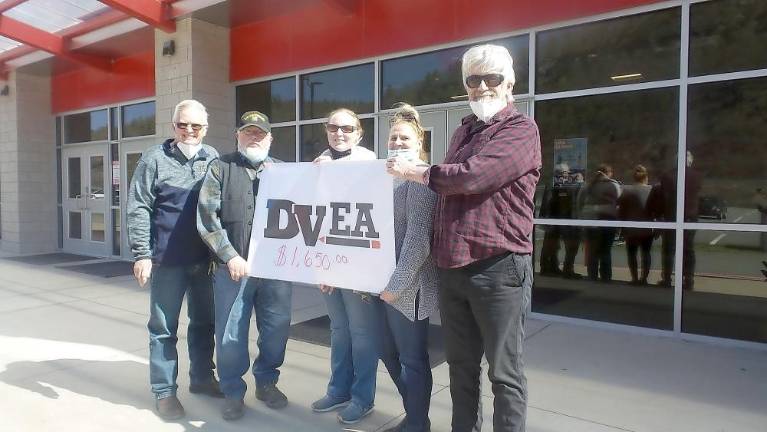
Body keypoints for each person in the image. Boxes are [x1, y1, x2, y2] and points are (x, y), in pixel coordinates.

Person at [387, 44, 541, 432]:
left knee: (504, 375)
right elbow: (449, 187)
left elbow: (473, 176)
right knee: (461, 368)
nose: (483, 87)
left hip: (499, 269)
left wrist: (419, 173)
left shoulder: (521, 130)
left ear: (510, 84)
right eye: (474, 80)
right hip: (453, 269)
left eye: (492, 78)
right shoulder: (463, 130)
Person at [127, 99, 222, 420]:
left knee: (204, 324)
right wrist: (142, 254)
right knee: (163, 329)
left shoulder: (213, 158)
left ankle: (202, 378)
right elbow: (138, 206)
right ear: (174, 126)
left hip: (205, 261)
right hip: (167, 261)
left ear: (205, 129)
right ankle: (165, 391)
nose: (189, 131)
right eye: (183, 124)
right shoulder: (154, 158)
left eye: (196, 126)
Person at [196, 111, 292, 421]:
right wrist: (230, 255)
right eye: (248, 132)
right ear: (238, 135)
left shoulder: (285, 172)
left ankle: (267, 382)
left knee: (276, 330)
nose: (254, 137)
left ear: (270, 138)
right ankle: (233, 391)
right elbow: (207, 219)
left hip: (275, 271)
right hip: (232, 270)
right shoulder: (220, 168)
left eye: (260, 133)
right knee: (231, 335)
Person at [310, 108, 383, 425]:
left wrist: (333, 175)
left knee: (362, 334)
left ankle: (362, 398)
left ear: (359, 133)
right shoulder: (319, 163)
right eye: (333, 127)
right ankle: (338, 390)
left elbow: (370, 211)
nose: (340, 133)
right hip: (329, 265)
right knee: (339, 331)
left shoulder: (369, 163)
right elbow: (312, 216)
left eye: (347, 128)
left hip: (359, 268)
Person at [380, 104, 439, 432]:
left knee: (412, 360)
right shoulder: (385, 177)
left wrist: (395, 286)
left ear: (419, 144)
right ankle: (416, 414)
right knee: (387, 352)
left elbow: (418, 241)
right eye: (393, 137)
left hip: (408, 288)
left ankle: (418, 424)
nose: (398, 143)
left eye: (405, 138)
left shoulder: (420, 179)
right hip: (382, 285)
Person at [579, 164, 621, 282]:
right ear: (608, 173)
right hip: (608, 221)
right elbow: (619, 203)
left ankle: (592, 276)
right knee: (605, 251)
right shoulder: (613, 185)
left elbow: (579, 203)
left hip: (591, 222)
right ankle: (606, 278)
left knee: (592, 251)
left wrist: (582, 218)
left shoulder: (588, 186)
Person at [618, 165, 654, 285]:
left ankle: (634, 278)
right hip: (647, 228)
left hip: (631, 228)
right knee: (646, 253)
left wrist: (622, 227)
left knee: (632, 253)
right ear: (646, 177)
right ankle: (644, 278)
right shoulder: (651, 190)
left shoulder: (627, 191)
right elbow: (657, 210)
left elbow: (621, 210)